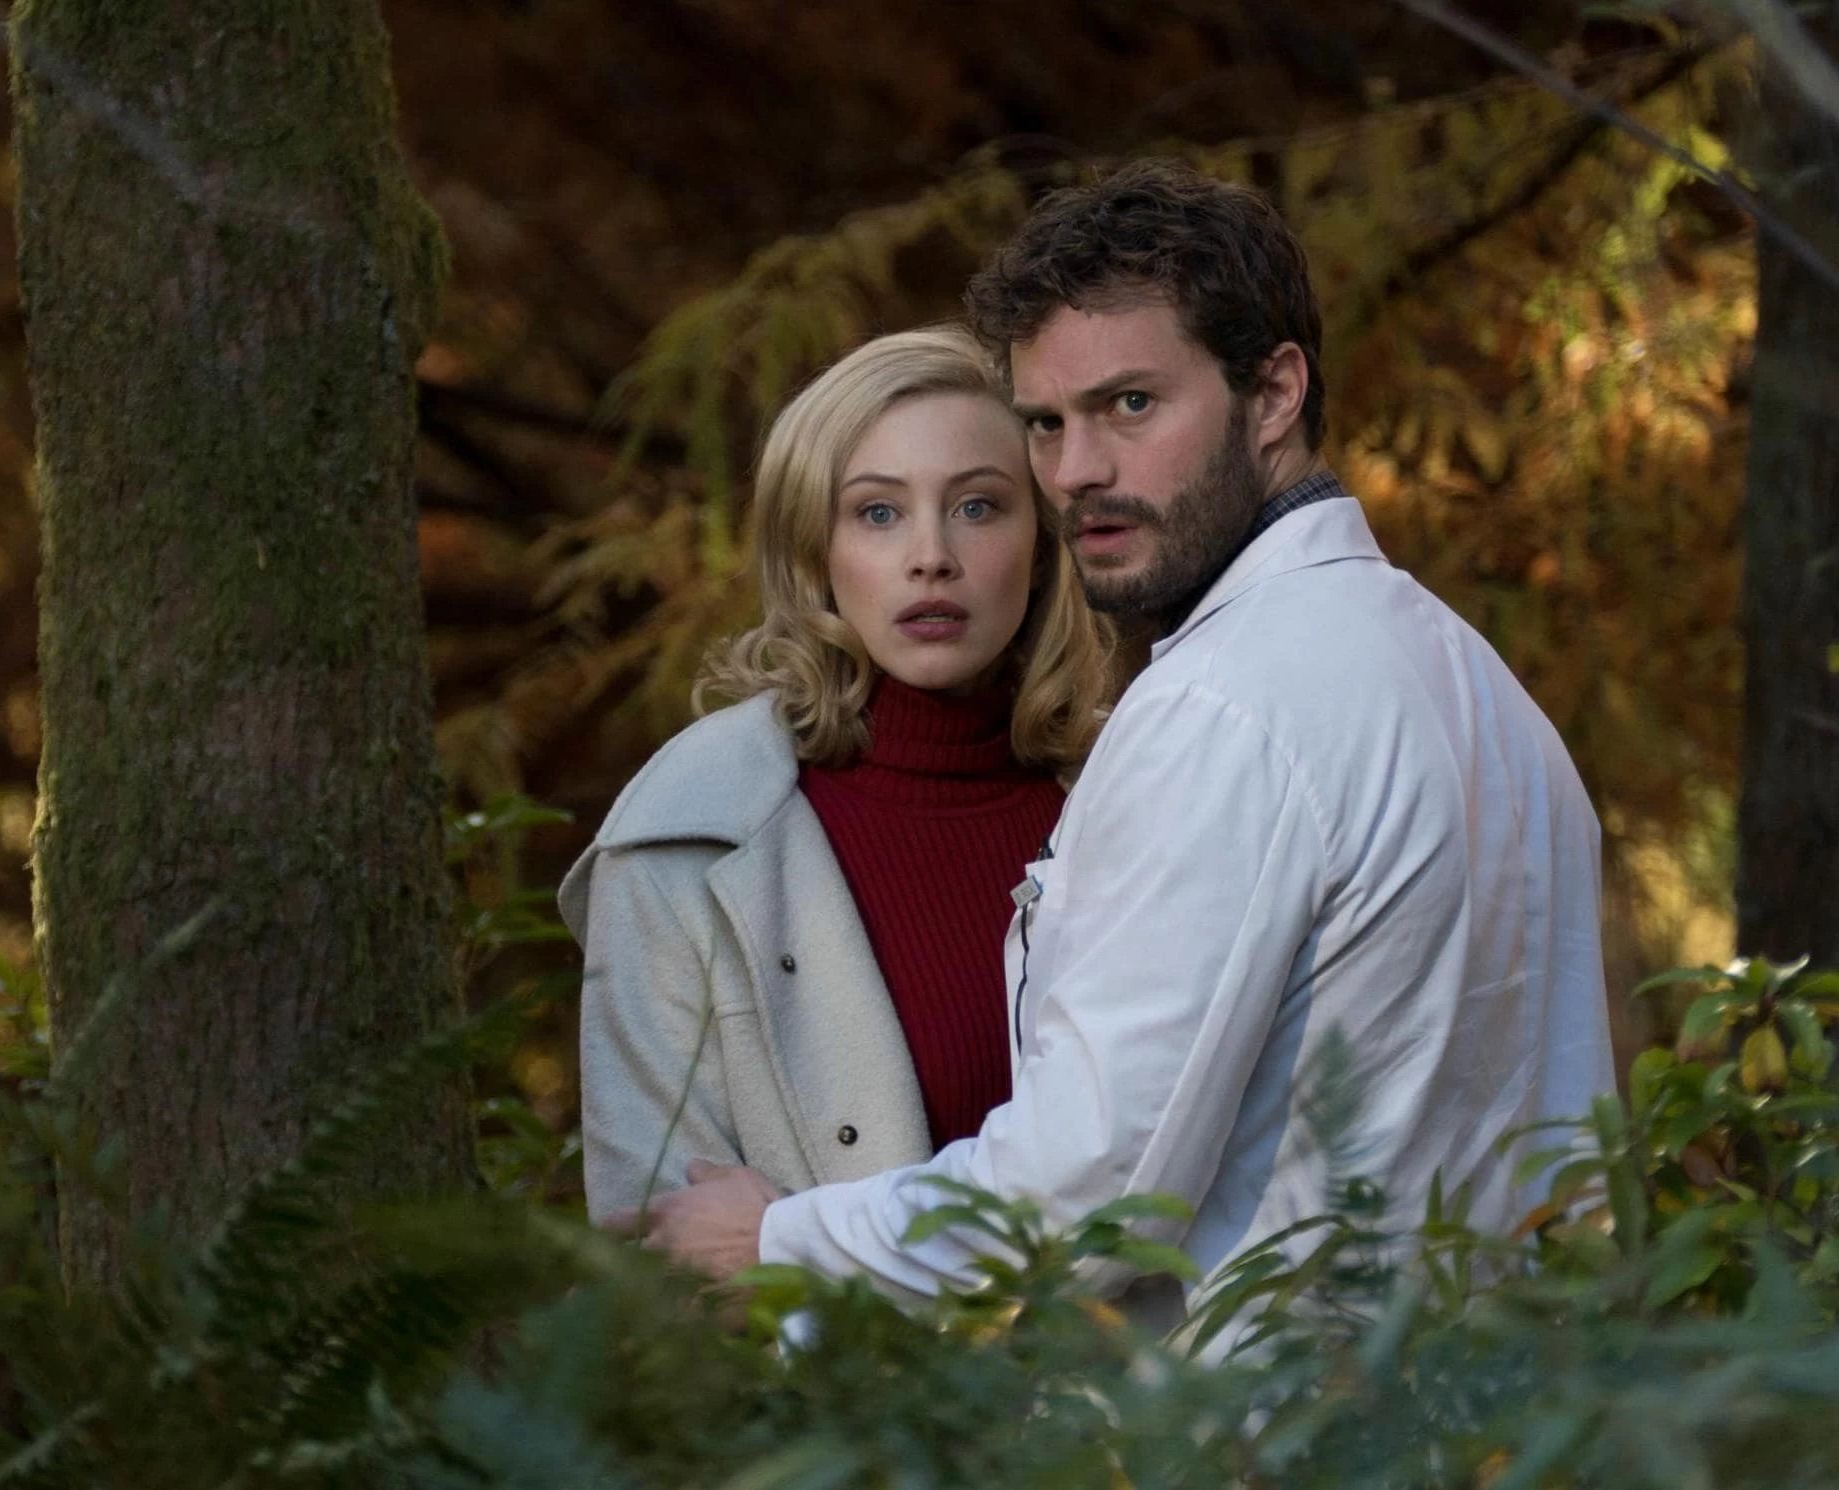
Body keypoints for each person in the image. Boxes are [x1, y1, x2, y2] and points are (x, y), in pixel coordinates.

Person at [631, 160, 1617, 1315]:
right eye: (1046, 424)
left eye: (1130, 405)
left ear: (1274, 392)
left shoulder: (1220, 706)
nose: (1077, 472)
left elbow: (1092, 1195)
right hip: (1499, 1386)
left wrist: (780, 1240)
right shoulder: (1482, 688)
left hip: (1278, 1403)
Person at [561, 326, 1117, 1224]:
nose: (930, 555)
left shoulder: (1132, 792)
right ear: (812, 549)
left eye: (977, 506)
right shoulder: (686, 836)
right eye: (877, 513)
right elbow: (659, 1245)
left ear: (1045, 543)